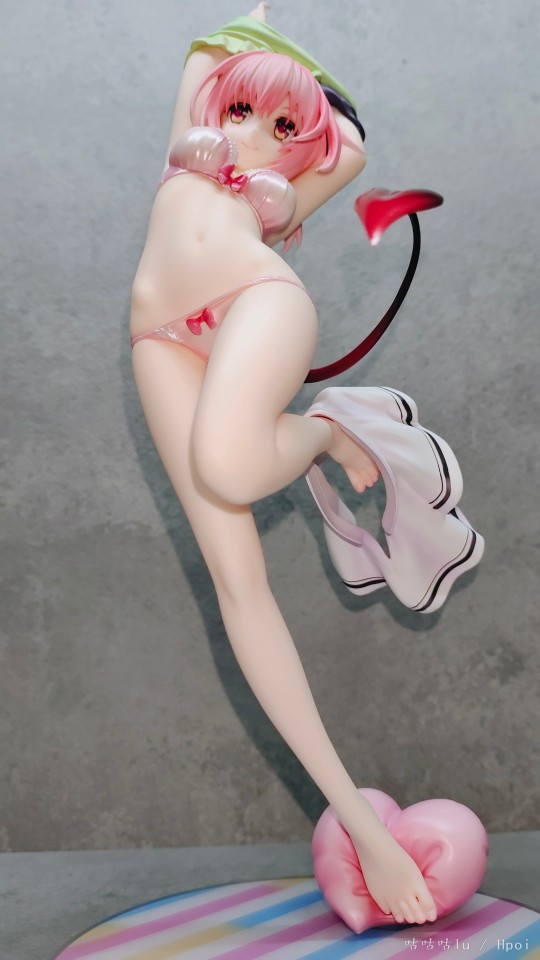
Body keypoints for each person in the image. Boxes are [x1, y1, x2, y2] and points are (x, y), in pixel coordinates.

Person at [130, 3, 438, 926]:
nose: (253, 133)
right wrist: (254, 31)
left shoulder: (282, 194)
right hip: (161, 339)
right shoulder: (187, 148)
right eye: (242, 112)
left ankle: (320, 433)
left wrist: (302, 101)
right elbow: (210, 49)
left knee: (229, 466)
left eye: (281, 126)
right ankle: (363, 826)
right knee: (238, 584)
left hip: (257, 303)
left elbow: (354, 150)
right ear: (218, 105)